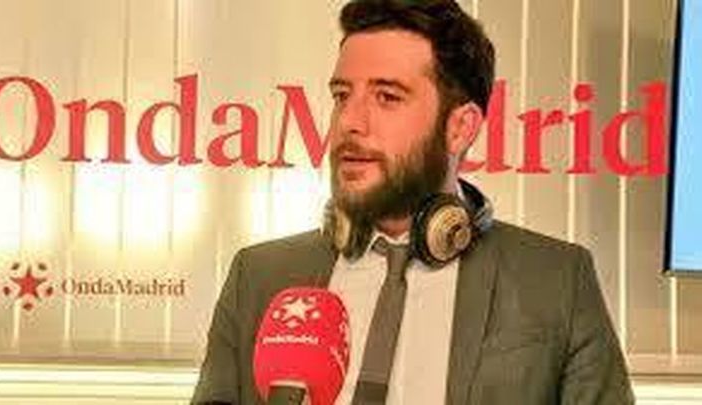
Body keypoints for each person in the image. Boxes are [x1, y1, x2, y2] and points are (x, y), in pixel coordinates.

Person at [192, 0, 634, 404]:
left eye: (387, 97)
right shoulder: (259, 278)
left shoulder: (557, 282)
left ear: (460, 128)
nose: (349, 122)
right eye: (342, 95)